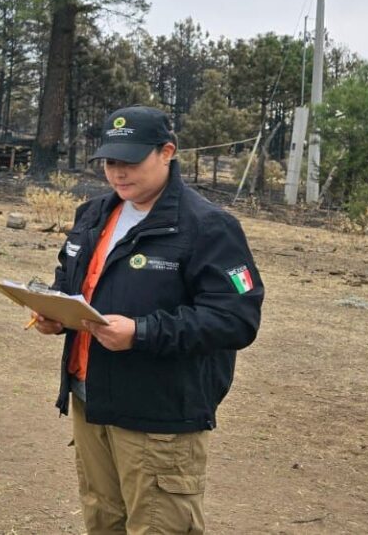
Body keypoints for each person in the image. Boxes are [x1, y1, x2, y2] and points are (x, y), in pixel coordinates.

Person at [31, 105, 263, 535]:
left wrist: (142, 332)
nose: (118, 172)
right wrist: (56, 313)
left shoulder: (208, 227)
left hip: (158, 418)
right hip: (91, 401)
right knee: (103, 520)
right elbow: (73, 280)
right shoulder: (94, 214)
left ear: (167, 152)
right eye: (110, 161)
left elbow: (235, 317)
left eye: (131, 161)